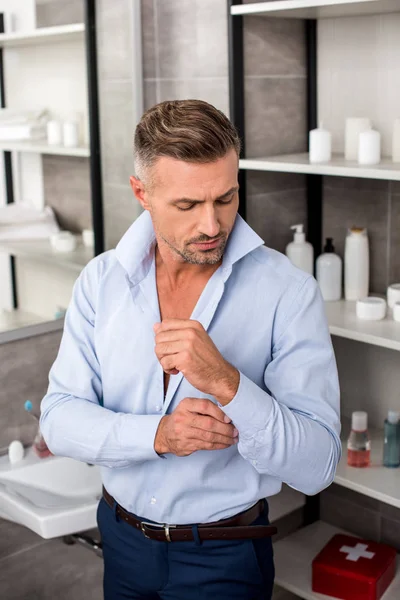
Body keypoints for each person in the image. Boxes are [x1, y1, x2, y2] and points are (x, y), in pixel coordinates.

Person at [40, 99, 341, 600]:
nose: (211, 224)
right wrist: (158, 434)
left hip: (224, 555)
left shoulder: (288, 293)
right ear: (142, 192)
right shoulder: (101, 282)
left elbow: (318, 467)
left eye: (226, 198)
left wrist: (228, 382)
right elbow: (58, 419)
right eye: (187, 205)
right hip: (121, 542)